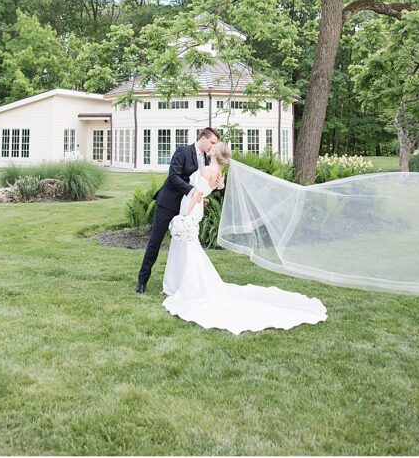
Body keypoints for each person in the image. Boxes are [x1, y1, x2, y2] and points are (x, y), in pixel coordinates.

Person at [161, 141, 327, 334]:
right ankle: (182, 282)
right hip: (197, 207)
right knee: (189, 246)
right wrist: (200, 201)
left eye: (214, 147)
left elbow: (197, 194)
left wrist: (186, 217)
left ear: (215, 154)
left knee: (188, 246)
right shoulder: (219, 174)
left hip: (190, 208)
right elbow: (207, 191)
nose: (211, 148)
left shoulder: (207, 170)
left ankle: (187, 285)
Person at [136, 126, 220, 294]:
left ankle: (182, 283)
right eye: (211, 142)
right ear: (202, 138)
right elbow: (173, 177)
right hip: (168, 204)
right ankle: (142, 281)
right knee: (155, 242)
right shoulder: (182, 152)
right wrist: (193, 192)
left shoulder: (207, 159)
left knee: (184, 244)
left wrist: (207, 192)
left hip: (186, 209)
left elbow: (203, 183)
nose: (213, 146)